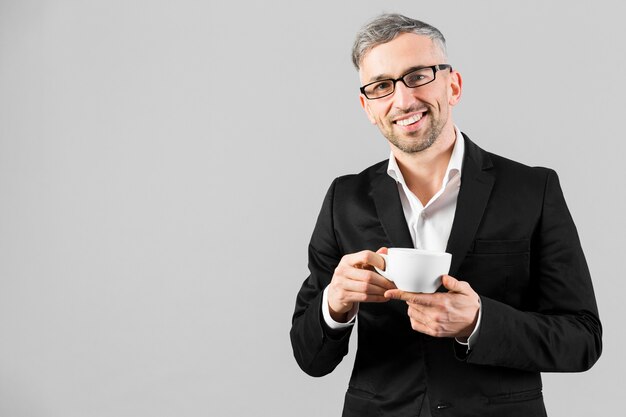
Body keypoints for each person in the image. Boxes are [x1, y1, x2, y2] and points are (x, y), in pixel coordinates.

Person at [289, 13, 602, 417]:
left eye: (417, 75)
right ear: (367, 107)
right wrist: (334, 304)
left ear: (452, 85)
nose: (403, 100)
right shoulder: (343, 199)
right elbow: (309, 358)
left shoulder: (532, 189)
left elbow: (583, 339)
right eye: (382, 86)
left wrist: (479, 322)